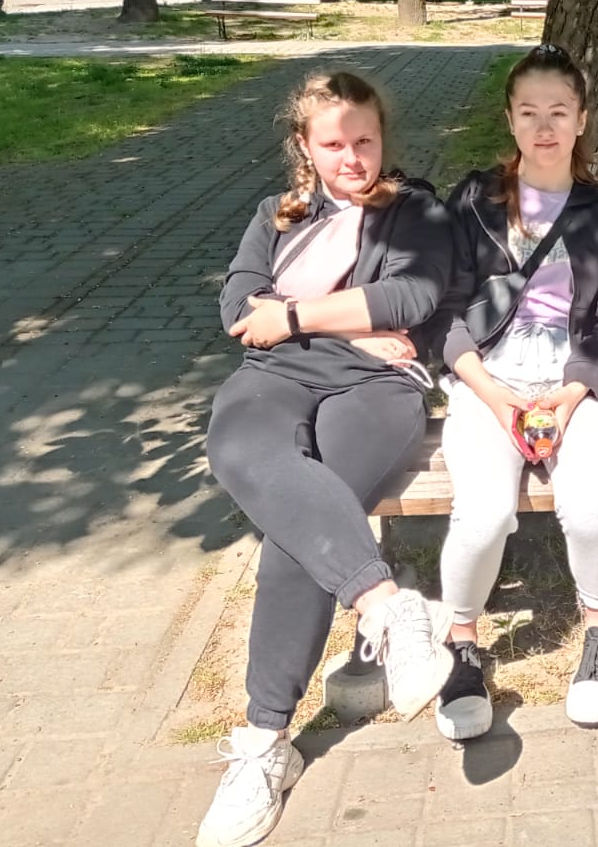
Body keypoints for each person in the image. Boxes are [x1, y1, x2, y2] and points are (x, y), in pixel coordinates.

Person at [198, 71, 457, 847]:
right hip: (277, 377)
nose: (353, 157)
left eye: (365, 140)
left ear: (384, 138)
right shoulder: (276, 215)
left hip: (378, 385)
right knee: (239, 446)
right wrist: (349, 324)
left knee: (300, 531)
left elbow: (413, 298)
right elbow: (237, 309)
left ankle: (264, 741)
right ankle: (387, 608)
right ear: (305, 147)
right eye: (335, 144)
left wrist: (296, 316)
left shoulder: (416, 209)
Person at [424, 45, 598, 739]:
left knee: (591, 511)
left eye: (559, 112)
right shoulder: (474, 200)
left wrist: (574, 393)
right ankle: (461, 644)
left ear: (583, 119)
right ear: (510, 119)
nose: (545, 128)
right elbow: (444, 307)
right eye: (530, 113)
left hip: (572, 379)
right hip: (489, 377)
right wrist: (492, 394)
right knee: (484, 517)